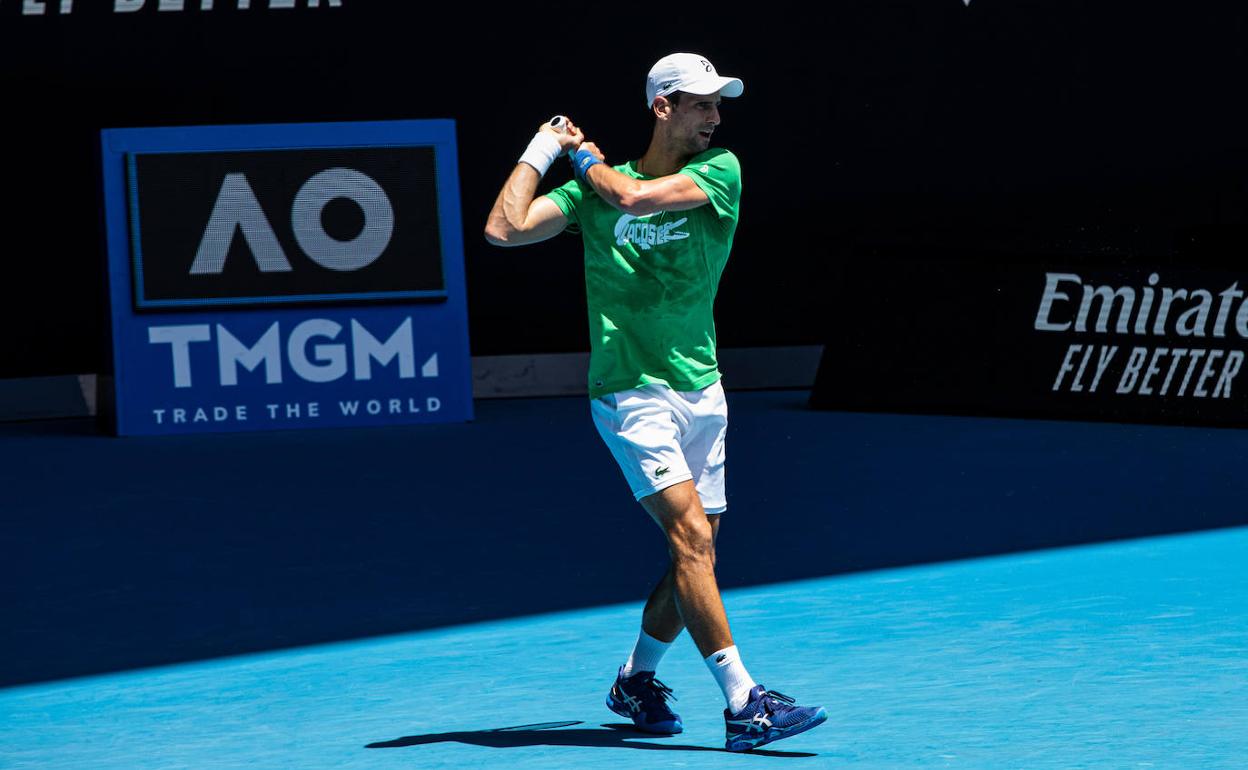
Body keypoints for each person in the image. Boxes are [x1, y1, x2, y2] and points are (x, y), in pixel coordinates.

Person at [483, 52, 826, 752]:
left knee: (696, 554)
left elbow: (634, 200)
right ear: (663, 106)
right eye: (701, 104)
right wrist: (544, 148)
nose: (715, 117)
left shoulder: (719, 171)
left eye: (717, 104)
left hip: (703, 389)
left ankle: (635, 679)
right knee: (692, 541)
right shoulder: (587, 197)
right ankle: (745, 703)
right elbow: (503, 229)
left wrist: (584, 162)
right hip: (629, 392)